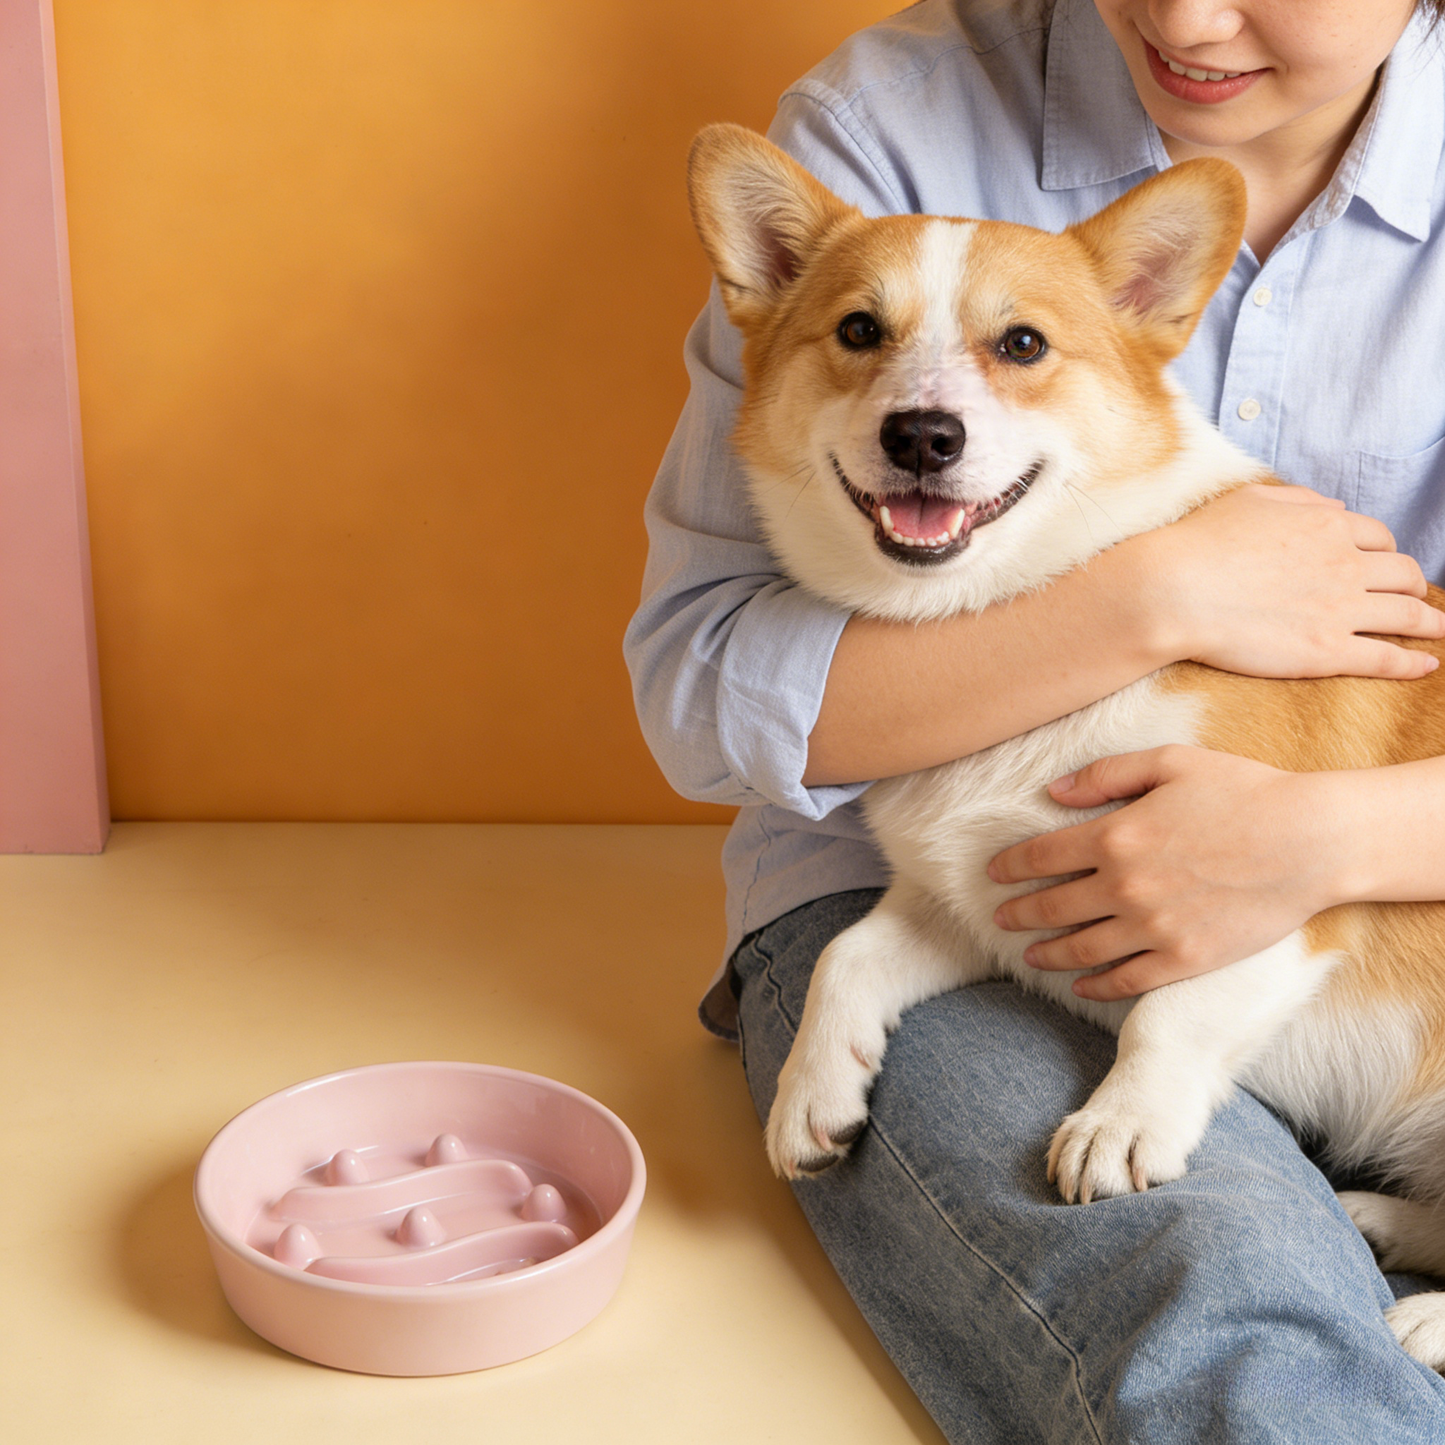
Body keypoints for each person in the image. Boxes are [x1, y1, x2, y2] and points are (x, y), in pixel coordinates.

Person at [625, 1, 1445, 1438]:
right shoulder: (884, 121)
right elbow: (700, 692)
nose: (1190, 16)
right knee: (1215, 1291)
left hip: (1386, 907)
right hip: (919, 903)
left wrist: (1329, 835)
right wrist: (1159, 595)